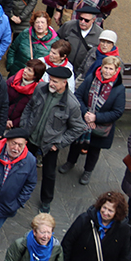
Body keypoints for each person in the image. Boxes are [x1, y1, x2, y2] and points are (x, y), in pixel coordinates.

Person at [22, 66, 86, 213]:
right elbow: (29, 107)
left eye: (55, 81)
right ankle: (20, 193)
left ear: (65, 83)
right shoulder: (40, 89)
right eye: (51, 80)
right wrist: (24, 128)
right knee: (23, 167)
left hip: (50, 144)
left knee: (49, 174)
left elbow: (78, 128)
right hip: (31, 138)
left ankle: (46, 201)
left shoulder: (72, 104)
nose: (51, 83)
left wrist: (59, 143)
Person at [59, 55, 125, 185]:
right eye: (105, 67)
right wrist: (86, 114)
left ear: (116, 70)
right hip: (83, 119)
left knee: (94, 149)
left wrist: (96, 117)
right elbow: (78, 96)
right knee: (76, 143)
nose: (107, 71)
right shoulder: (91, 79)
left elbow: (117, 111)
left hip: (100, 125)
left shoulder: (119, 88)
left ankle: (87, 171)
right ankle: (70, 162)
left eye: (110, 69)